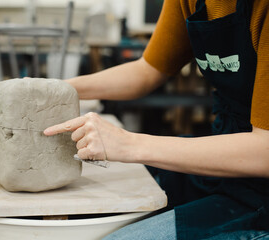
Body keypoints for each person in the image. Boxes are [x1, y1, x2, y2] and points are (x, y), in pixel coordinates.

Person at [44, 0, 269, 239]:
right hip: (226, 160)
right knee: (88, 207)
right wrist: (56, 90)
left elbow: (264, 151)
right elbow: (146, 71)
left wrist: (127, 144)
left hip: (260, 185)